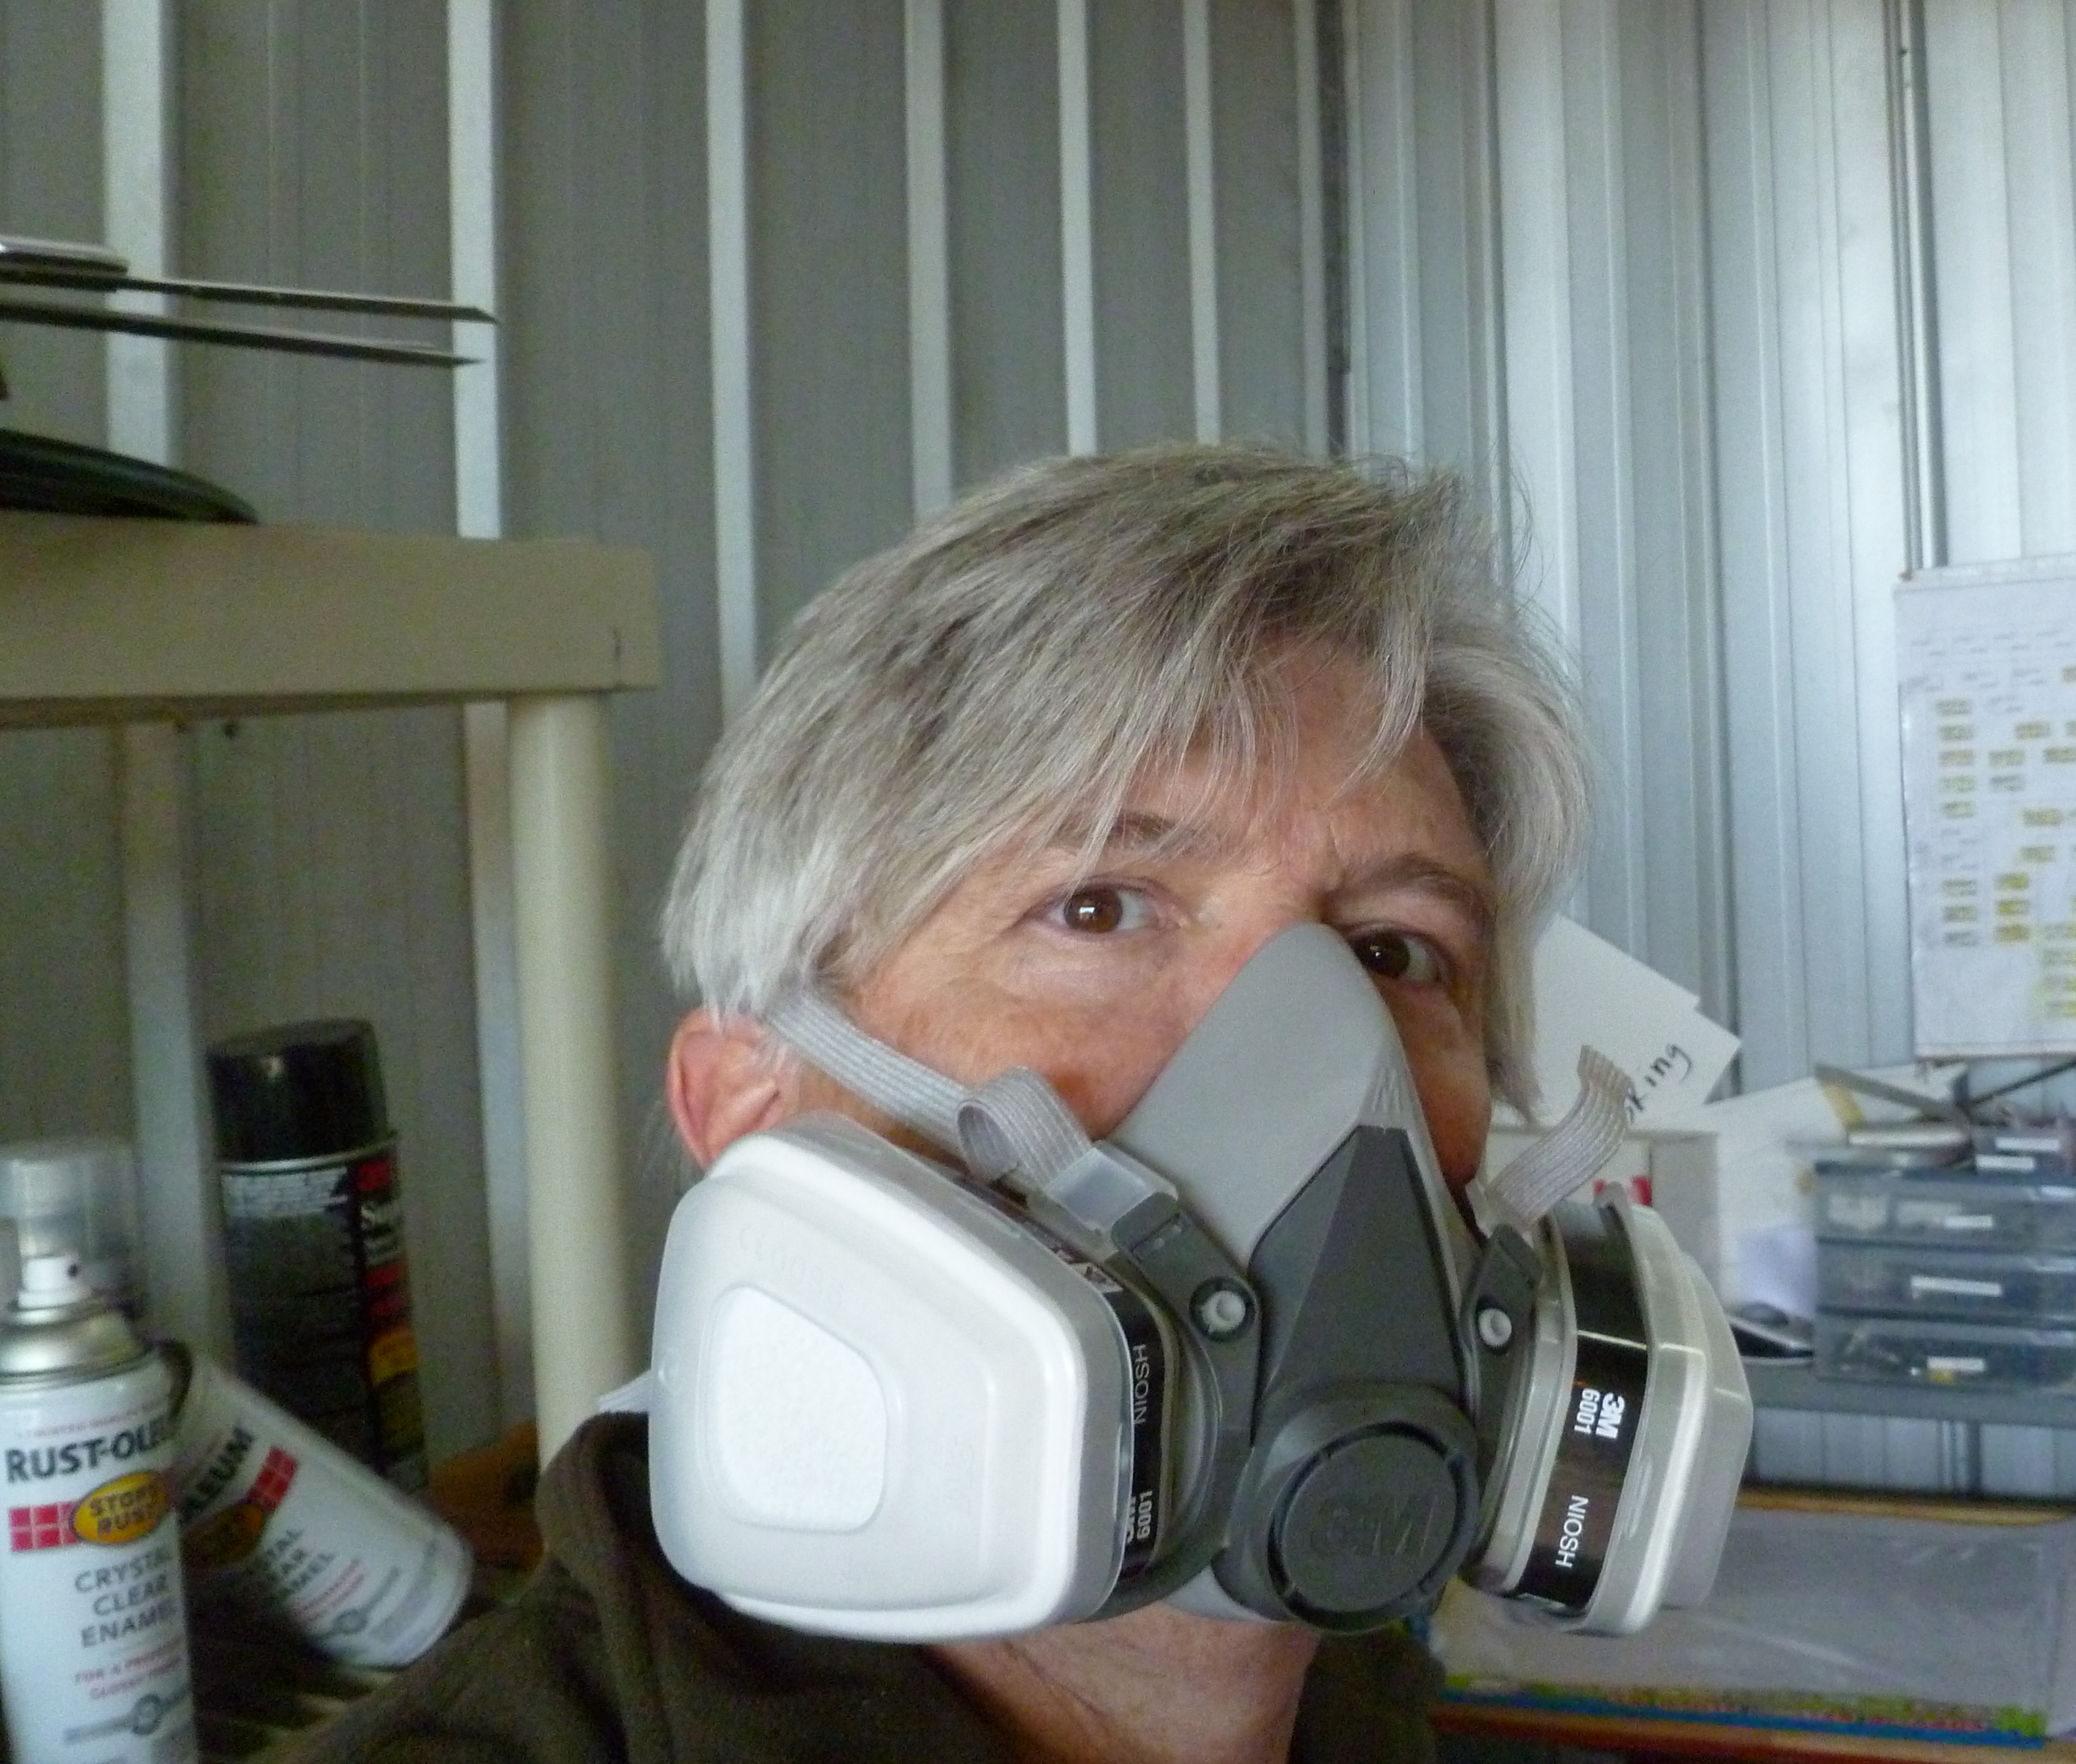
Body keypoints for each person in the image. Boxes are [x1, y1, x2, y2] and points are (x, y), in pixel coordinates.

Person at [303, 444, 1591, 1764]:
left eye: (1393, 948)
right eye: (1099, 909)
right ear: (751, 1111)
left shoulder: (1371, 1704)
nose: (1317, 1059)